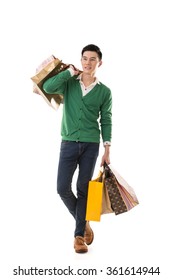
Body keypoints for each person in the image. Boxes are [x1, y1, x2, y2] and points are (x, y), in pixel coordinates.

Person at [43, 44, 112, 253]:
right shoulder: (69, 83)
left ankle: (78, 237)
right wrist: (68, 72)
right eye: (84, 58)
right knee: (62, 188)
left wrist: (107, 149)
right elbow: (47, 87)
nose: (87, 63)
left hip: (91, 145)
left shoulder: (104, 91)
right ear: (80, 60)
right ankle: (83, 222)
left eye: (92, 59)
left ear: (99, 63)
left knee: (84, 188)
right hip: (68, 143)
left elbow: (106, 120)